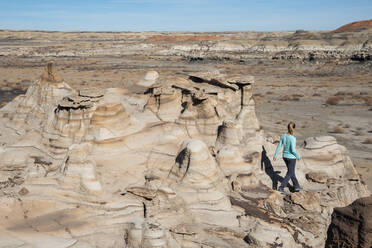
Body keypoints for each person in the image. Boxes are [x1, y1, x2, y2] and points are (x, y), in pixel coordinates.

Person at [273, 122, 302, 194]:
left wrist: (275, 155)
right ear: (294, 128)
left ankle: (296, 186)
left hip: (284, 157)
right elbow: (293, 150)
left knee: (291, 172)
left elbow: (279, 146)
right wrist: (298, 156)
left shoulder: (283, 136)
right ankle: (281, 187)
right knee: (290, 173)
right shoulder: (293, 138)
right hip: (291, 158)